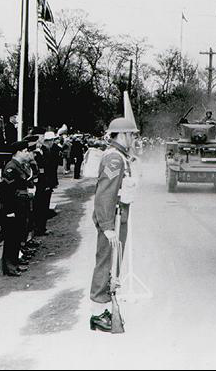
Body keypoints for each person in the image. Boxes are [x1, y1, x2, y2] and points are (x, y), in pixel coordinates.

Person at [89, 117, 138, 332]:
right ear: (122, 134)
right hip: (113, 219)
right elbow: (104, 194)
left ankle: (103, 308)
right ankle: (97, 313)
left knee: (113, 264)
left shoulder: (120, 157)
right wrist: (107, 226)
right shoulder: (114, 159)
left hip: (118, 217)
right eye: (132, 134)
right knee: (106, 263)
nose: (134, 138)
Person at [0, 140, 36, 276]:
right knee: (11, 238)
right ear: (18, 152)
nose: (27, 153)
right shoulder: (11, 167)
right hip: (13, 207)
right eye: (25, 151)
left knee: (17, 236)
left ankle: (15, 263)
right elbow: (6, 191)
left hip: (21, 205)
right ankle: (9, 267)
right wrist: (9, 211)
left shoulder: (19, 165)